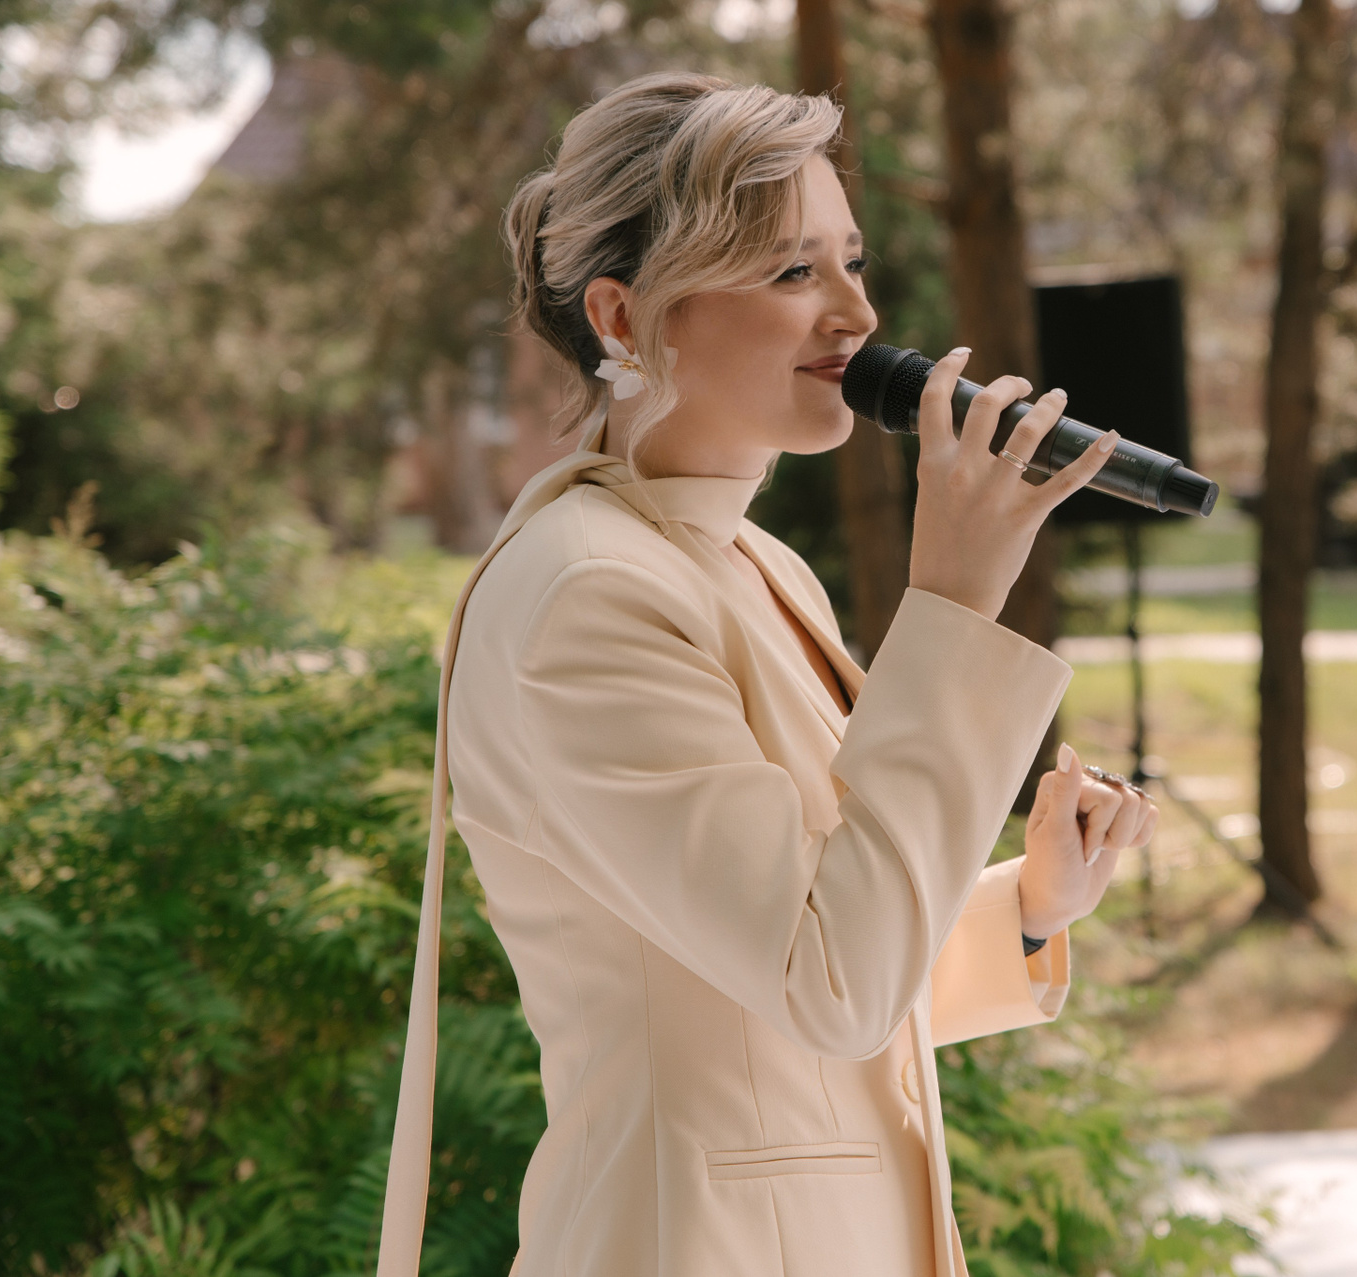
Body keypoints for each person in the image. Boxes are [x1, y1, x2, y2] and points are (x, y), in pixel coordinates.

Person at [377, 72, 1160, 1277]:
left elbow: (789, 973)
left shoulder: (752, 564)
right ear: (625, 318)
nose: (856, 314)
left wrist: (1026, 908)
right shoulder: (588, 595)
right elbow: (830, 985)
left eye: (853, 261)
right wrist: (953, 606)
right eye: (794, 271)